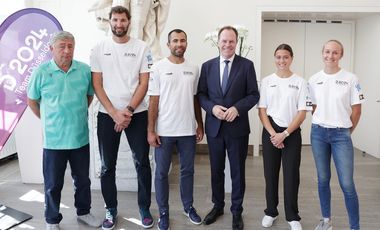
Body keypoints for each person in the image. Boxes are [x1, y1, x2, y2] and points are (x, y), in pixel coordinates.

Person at [27, 31, 101, 230]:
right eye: (62, 46)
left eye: (70, 46)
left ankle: (84, 212)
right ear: (51, 49)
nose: (67, 51)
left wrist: (75, 115)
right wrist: (48, 119)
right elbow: (32, 101)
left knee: (83, 181)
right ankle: (52, 220)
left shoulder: (85, 70)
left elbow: (89, 96)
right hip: (53, 140)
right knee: (53, 184)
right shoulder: (41, 72)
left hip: (79, 138)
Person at [90, 6, 154, 230]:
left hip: (137, 113)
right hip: (107, 115)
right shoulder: (99, 48)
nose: (119, 24)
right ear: (110, 21)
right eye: (115, 20)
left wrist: (127, 110)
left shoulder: (142, 47)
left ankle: (144, 208)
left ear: (129, 22)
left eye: (122, 20)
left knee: (142, 163)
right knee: (107, 166)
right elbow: (96, 84)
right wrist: (114, 112)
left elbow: (144, 82)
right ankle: (111, 209)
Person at [197, 26, 260, 230]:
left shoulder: (247, 65)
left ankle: (236, 211)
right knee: (216, 170)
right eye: (224, 41)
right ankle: (218, 207)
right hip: (214, 128)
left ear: (236, 42)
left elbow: (253, 94)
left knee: (237, 172)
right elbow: (201, 95)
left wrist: (237, 108)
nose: (227, 44)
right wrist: (212, 107)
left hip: (237, 128)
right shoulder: (207, 66)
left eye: (231, 41)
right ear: (218, 42)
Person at [147, 29, 204, 230]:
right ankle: (163, 212)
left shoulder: (194, 68)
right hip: (164, 131)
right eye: (175, 41)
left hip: (187, 131)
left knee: (187, 171)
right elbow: (153, 100)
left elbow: (195, 98)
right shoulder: (159, 67)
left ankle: (188, 207)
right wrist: (151, 130)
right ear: (168, 44)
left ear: (186, 43)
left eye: (182, 40)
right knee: (161, 173)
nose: (179, 44)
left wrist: (200, 123)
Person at [309, 40, 364, 230]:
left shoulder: (351, 78)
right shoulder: (313, 79)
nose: (330, 56)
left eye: (335, 52)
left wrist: (347, 131)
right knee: (323, 179)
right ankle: (326, 221)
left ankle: (354, 227)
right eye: (327, 52)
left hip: (341, 135)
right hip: (318, 134)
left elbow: (357, 110)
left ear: (341, 55)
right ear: (322, 53)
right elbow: (313, 107)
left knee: (347, 184)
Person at [258, 44, 312, 230]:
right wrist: (274, 134)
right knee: (270, 175)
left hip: (291, 133)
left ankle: (292, 216)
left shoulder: (300, 82)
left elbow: (302, 112)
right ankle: (271, 212)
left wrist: (285, 134)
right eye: (278, 57)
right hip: (271, 133)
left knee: (291, 176)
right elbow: (262, 111)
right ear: (275, 58)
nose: (282, 60)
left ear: (291, 58)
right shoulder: (266, 81)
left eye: (285, 57)